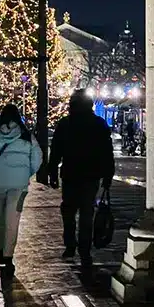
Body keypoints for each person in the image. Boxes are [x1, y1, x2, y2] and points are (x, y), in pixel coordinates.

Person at [48, 89, 115, 268]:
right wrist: (108, 176)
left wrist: (52, 172)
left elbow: (56, 151)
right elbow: (107, 154)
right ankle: (84, 247)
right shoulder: (99, 124)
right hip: (91, 175)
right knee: (86, 212)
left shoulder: (65, 124)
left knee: (68, 211)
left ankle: (70, 244)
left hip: (71, 174)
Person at [0, 103, 42, 274]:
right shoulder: (27, 136)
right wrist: (26, 172)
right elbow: (37, 159)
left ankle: (0, 248)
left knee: (0, 214)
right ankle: (8, 255)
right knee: (13, 217)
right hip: (18, 184)